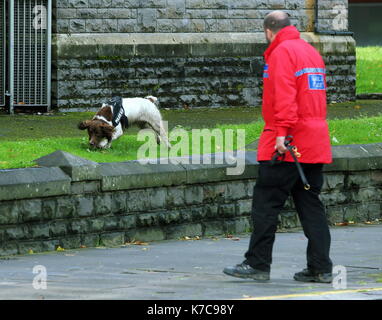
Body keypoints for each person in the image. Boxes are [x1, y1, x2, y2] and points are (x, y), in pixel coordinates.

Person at [223, 11, 333, 283]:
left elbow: (284, 96)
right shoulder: (310, 52)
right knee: (310, 206)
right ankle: (321, 268)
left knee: (265, 205)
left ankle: (258, 264)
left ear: (269, 31)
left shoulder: (282, 52)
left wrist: (281, 134)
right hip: (314, 140)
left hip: (287, 144)